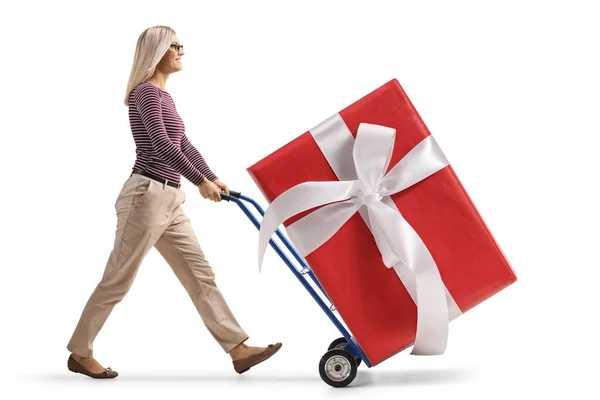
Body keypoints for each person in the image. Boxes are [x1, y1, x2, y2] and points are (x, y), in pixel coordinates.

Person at [66, 25, 281, 379]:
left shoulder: (164, 97)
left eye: (182, 45)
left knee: (200, 275)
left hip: (169, 200)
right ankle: (80, 351)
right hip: (145, 196)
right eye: (175, 45)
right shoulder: (146, 94)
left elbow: (184, 145)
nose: (182, 51)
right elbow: (163, 146)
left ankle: (237, 348)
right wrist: (200, 182)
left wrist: (211, 177)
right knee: (118, 279)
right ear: (157, 51)